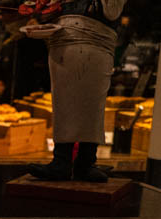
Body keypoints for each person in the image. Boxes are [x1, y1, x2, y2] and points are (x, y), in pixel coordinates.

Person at [27, 0, 128, 182]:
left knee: (92, 104)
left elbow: (111, 11)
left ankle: (84, 162)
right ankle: (65, 161)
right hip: (63, 39)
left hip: (94, 40)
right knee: (64, 102)